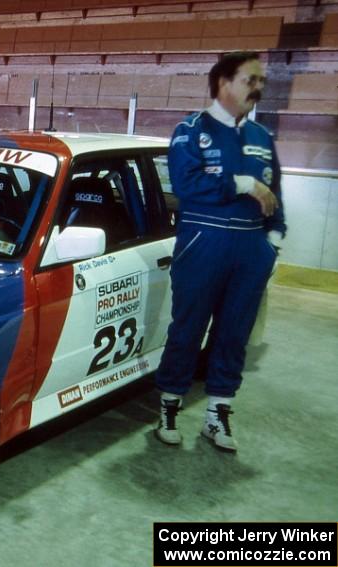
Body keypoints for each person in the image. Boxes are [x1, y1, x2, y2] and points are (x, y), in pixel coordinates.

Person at [154, 51, 286, 453]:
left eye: (261, 81)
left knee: (234, 334)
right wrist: (242, 184)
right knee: (188, 329)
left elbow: (277, 193)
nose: (258, 88)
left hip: (251, 247)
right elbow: (186, 184)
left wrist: (273, 241)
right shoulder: (191, 131)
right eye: (251, 80)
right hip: (203, 241)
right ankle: (169, 405)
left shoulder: (263, 138)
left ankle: (218, 414)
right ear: (223, 83)